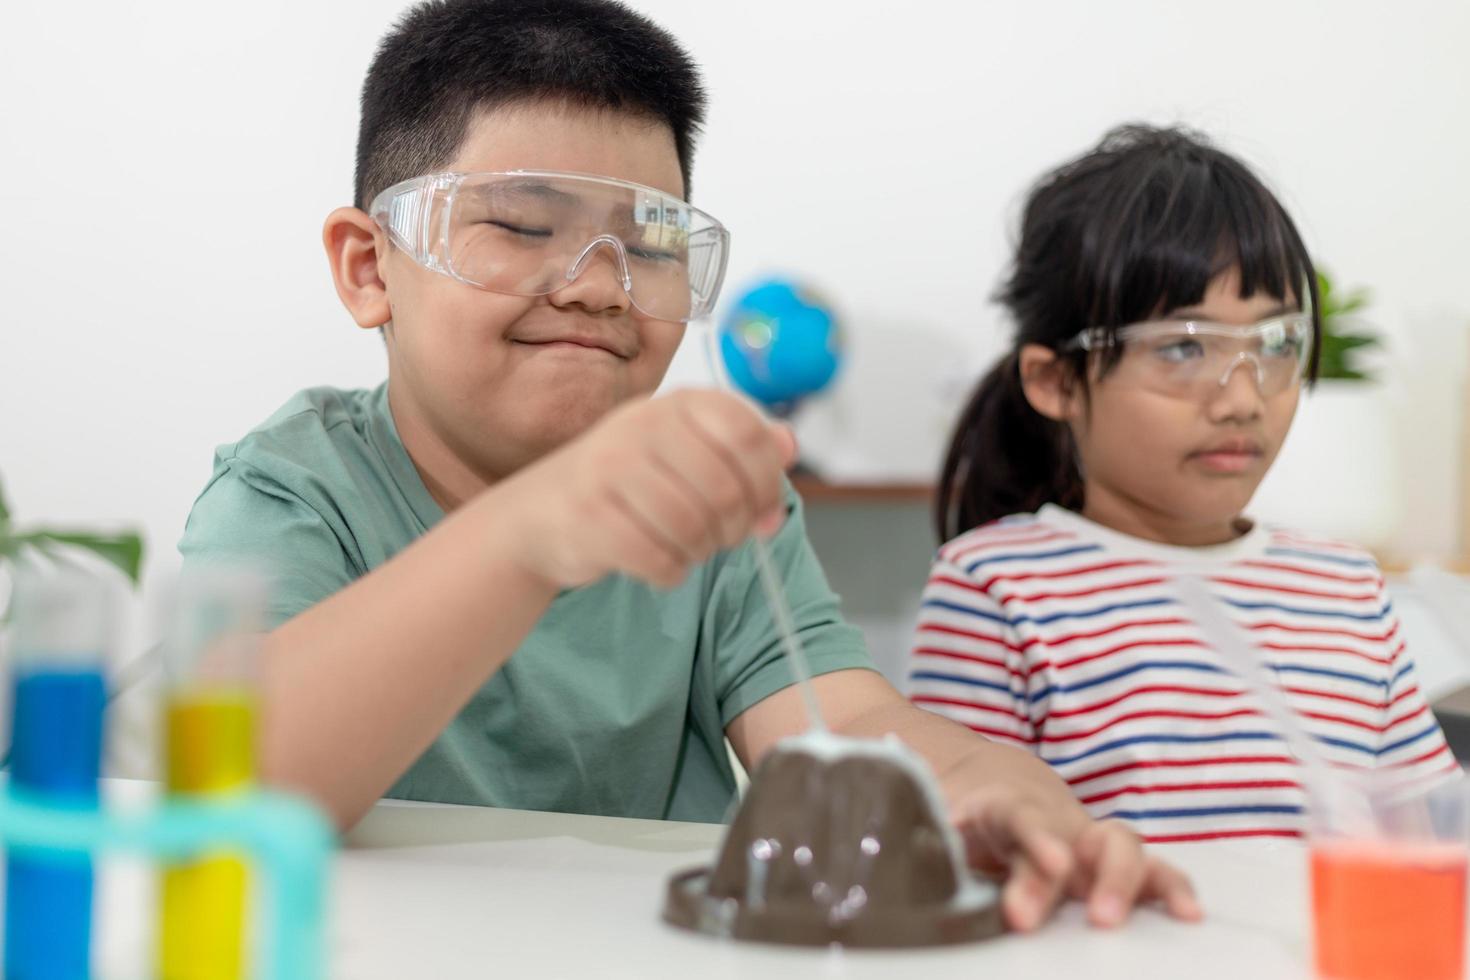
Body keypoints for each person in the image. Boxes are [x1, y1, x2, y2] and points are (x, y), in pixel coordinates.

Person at [180, 1, 1197, 928]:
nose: (598, 287)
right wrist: (528, 529)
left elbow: (843, 716)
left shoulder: (720, 506)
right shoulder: (292, 486)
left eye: (653, 243)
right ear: (370, 268)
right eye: (525, 225)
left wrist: (984, 779)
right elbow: (235, 782)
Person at [909, 125, 1457, 844]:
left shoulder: (1346, 590)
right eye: (1183, 347)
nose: (1241, 400)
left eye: (1274, 344)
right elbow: (960, 860)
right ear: (1055, 381)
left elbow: (1421, 851)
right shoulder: (996, 591)